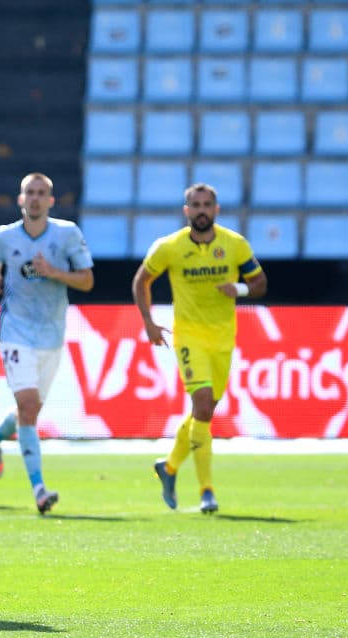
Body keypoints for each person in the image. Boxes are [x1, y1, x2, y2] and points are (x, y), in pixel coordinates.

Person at [133, 182, 267, 514]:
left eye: (207, 204)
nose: (202, 210)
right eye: (196, 204)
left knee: (202, 413)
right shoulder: (170, 247)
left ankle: (170, 466)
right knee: (204, 405)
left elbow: (260, 284)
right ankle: (207, 490)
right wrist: (149, 322)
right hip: (189, 335)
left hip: (223, 338)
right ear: (186, 211)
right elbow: (141, 281)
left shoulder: (234, 244)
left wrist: (239, 288)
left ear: (216, 210)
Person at [0, 173, 94, 514]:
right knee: (28, 407)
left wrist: (54, 272)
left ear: (51, 201)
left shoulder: (67, 233)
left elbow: (87, 280)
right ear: (20, 198)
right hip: (14, 331)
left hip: (52, 335)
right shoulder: (4, 235)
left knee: (29, 410)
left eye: (42, 193)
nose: (35, 198)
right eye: (29, 192)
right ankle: (40, 490)